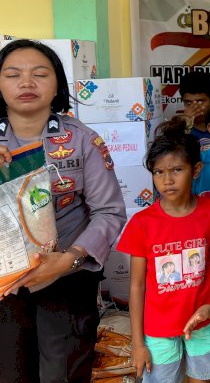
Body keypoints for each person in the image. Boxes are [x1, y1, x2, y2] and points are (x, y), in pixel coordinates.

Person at [0, 39, 126, 382]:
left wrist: (70, 258)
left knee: (63, 373)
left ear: (56, 83)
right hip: (4, 286)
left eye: (39, 74)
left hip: (66, 278)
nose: (26, 83)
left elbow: (110, 213)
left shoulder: (82, 140)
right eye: (13, 74)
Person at [117, 118, 210, 383]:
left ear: (195, 170)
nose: (167, 180)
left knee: (208, 379)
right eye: (158, 172)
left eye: (176, 170)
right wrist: (138, 343)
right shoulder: (142, 223)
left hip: (205, 322)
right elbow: (137, 286)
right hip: (158, 329)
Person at [179, 70, 210, 150]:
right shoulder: (177, 129)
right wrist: (185, 126)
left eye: (200, 101)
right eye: (188, 102)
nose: (195, 107)